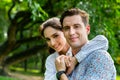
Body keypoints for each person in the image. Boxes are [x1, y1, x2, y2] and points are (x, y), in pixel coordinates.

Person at [39, 17, 111, 80]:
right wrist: (60, 71)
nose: (52, 43)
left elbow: (103, 41)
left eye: (55, 36)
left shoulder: (80, 48)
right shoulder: (51, 59)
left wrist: (75, 59)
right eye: (48, 39)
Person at [55, 8, 116, 80]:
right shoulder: (67, 60)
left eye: (76, 26)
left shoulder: (100, 57)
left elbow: (103, 40)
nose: (71, 32)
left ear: (87, 29)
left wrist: (60, 74)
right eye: (67, 28)